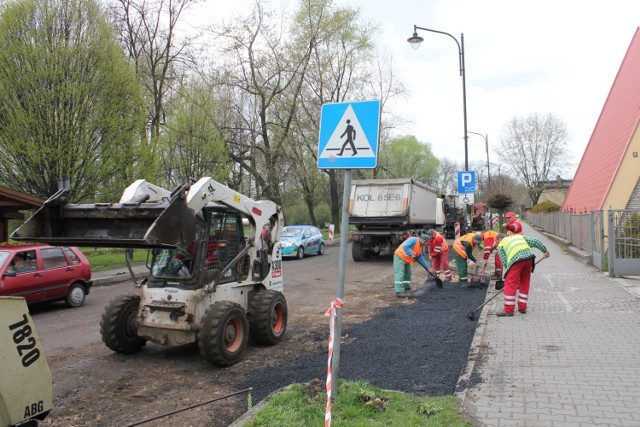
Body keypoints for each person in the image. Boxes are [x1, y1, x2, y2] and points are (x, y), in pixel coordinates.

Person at [495, 233, 550, 316]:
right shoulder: (519, 237)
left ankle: (508, 310)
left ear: (499, 240)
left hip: (516, 261)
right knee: (524, 283)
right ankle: (522, 308)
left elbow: (505, 262)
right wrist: (545, 251)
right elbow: (535, 241)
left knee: (510, 284)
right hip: (529, 259)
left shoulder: (500, 245)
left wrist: (510, 277)